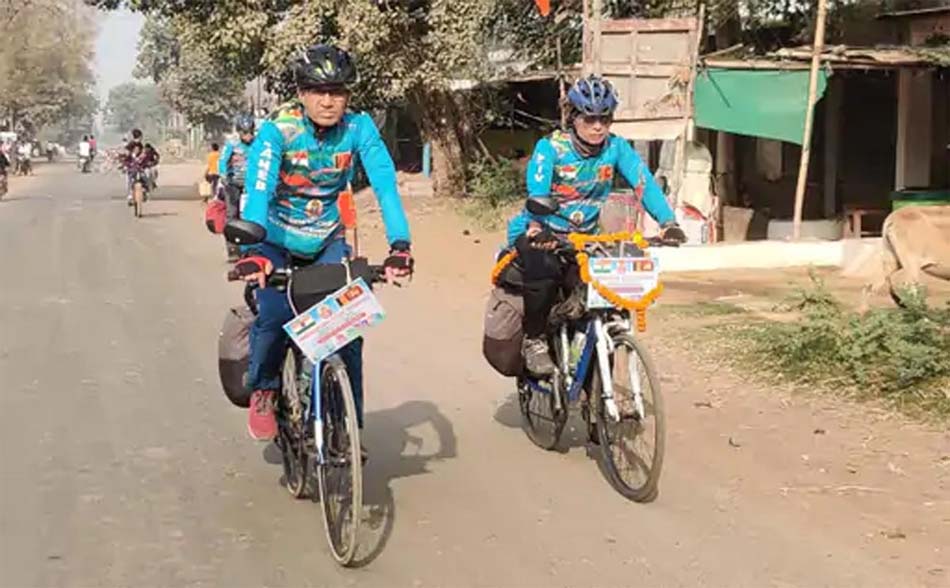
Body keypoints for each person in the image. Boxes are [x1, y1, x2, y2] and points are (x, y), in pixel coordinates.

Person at [237, 44, 413, 442]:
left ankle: (346, 429)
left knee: (346, 328)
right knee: (274, 314)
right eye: (318, 91)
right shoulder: (278, 130)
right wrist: (252, 251)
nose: (328, 101)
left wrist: (400, 245)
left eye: (337, 92)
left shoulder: (359, 128)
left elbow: (386, 187)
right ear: (301, 93)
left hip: (326, 240)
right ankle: (263, 389)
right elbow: (258, 190)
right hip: (275, 240)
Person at [506, 74, 687, 376]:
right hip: (541, 231)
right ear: (573, 118)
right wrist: (537, 226)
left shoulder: (616, 148)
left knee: (610, 291)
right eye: (589, 119)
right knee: (544, 270)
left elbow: (642, 182)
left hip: (586, 237)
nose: (598, 127)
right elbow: (537, 192)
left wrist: (668, 222)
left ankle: (598, 378)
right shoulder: (550, 148)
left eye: (605, 119)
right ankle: (534, 340)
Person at [218, 114, 256, 261]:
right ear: (239, 132)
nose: (248, 136)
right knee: (232, 215)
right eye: (244, 133)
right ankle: (232, 248)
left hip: (252, 185)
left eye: (250, 132)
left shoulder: (258, 144)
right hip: (233, 184)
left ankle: (252, 248)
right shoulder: (232, 144)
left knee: (253, 215)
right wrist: (223, 176)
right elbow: (223, 161)